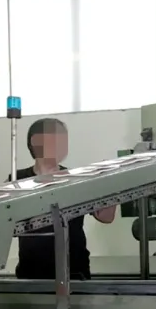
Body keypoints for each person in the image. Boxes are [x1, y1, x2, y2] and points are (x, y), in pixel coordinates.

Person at [8, 118, 116, 280]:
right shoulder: (17, 180)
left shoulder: (77, 179)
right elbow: (1, 225)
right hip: (31, 274)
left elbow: (106, 217)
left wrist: (108, 182)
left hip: (74, 273)